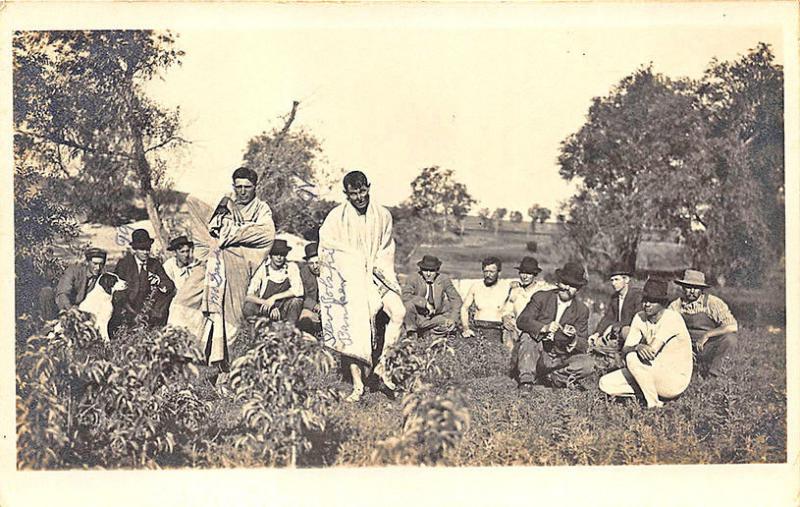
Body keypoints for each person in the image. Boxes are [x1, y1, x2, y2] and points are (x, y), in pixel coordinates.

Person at [318, 170, 405, 402]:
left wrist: (377, 269)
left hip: (377, 275)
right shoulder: (336, 217)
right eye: (354, 193)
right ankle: (358, 385)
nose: (359, 197)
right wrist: (349, 264)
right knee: (356, 324)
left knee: (399, 311)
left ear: (369, 187)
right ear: (346, 194)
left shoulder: (383, 215)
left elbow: (387, 248)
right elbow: (327, 247)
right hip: (350, 279)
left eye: (363, 191)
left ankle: (382, 367)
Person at [178, 166, 275, 370]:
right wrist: (224, 201)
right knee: (184, 302)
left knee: (229, 320)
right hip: (210, 264)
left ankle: (225, 372)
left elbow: (266, 234)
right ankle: (181, 355)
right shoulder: (226, 203)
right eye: (238, 187)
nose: (242, 191)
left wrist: (228, 234)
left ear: (255, 187)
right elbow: (192, 200)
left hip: (237, 268)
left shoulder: (261, 209)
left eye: (247, 187)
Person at [599, 278, 693, 409]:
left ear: (663, 303)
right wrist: (637, 346)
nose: (647, 304)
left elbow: (651, 351)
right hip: (652, 372)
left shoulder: (672, 318)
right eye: (645, 300)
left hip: (675, 379)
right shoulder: (640, 317)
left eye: (653, 301)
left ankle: (654, 404)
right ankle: (648, 393)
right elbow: (626, 348)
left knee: (632, 358)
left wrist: (636, 349)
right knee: (605, 383)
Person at [514, 261, 594, 393]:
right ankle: (526, 380)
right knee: (527, 336)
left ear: (578, 289)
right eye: (565, 283)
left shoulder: (582, 310)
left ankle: (555, 377)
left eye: (572, 285)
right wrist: (544, 328)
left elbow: (584, 344)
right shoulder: (541, 297)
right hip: (539, 354)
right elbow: (522, 320)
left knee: (588, 364)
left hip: (561, 357)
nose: (567, 288)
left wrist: (574, 338)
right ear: (558, 282)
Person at [668, 269, 738, 378]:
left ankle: (713, 373)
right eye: (688, 287)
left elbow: (732, 326)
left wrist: (707, 335)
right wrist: (683, 347)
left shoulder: (713, 303)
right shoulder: (675, 305)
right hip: (684, 347)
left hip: (708, 346)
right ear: (682, 287)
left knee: (730, 338)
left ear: (702, 289)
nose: (692, 291)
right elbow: (668, 330)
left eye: (696, 288)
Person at [111, 229, 176, 331]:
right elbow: (117, 292)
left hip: (149, 310)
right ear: (134, 249)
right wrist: (132, 313)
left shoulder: (155, 264)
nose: (145, 252)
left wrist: (159, 282)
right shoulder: (124, 264)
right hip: (128, 308)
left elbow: (169, 285)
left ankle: (153, 326)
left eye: (147, 249)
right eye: (142, 249)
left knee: (167, 296)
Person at [587, 262, 643, 372]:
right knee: (593, 344)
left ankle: (626, 360)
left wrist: (614, 326)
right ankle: (612, 358)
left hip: (632, 334)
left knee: (625, 332)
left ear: (626, 280)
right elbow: (608, 317)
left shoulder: (637, 295)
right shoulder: (615, 297)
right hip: (616, 334)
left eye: (616, 280)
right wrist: (597, 333)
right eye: (612, 280)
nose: (613, 283)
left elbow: (636, 319)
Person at [242, 239, 304, 326]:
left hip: (283, 308)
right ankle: (257, 329)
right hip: (265, 308)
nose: (279, 257)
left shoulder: (291, 267)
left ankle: (289, 329)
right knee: (249, 307)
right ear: (270, 255)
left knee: (297, 301)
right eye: (276, 254)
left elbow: (298, 291)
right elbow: (248, 296)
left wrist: (274, 298)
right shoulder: (262, 269)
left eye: (282, 254)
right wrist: (266, 303)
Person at [402, 255, 462, 340]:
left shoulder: (443, 279)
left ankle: (428, 334)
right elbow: (405, 296)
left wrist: (453, 319)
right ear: (420, 269)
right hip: (418, 317)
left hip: (435, 317)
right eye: (425, 270)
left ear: (437, 270)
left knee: (448, 325)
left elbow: (456, 300)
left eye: (432, 270)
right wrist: (425, 303)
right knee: (407, 305)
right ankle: (412, 333)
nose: (428, 274)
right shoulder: (413, 278)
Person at [38, 247, 108, 320]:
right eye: (95, 264)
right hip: (62, 307)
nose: (98, 268)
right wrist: (70, 309)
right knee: (46, 292)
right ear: (87, 262)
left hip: (83, 311)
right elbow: (63, 293)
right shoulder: (73, 271)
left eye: (101, 264)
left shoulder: (102, 278)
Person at [501, 256, 553, 352]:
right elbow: (507, 311)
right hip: (516, 330)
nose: (524, 276)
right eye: (522, 272)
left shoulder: (542, 290)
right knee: (507, 333)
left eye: (528, 273)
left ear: (535, 274)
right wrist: (506, 319)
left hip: (534, 331)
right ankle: (508, 360)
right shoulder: (515, 291)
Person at [163, 235, 206, 336]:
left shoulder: (194, 264)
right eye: (182, 252)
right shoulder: (169, 266)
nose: (186, 255)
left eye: (187, 251)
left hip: (194, 303)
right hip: (176, 303)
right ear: (175, 253)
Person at [460, 257, 508, 345]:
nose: (488, 275)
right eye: (486, 271)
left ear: (499, 273)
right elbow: (464, 308)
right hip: (477, 328)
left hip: (495, 329)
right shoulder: (476, 287)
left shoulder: (506, 288)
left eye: (492, 272)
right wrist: (466, 328)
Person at [297, 242, 322, 336]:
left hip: (329, 308)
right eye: (311, 263)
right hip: (312, 309)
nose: (315, 266)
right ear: (307, 263)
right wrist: (314, 306)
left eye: (317, 262)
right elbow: (301, 295)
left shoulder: (330, 272)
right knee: (304, 318)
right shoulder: (303, 274)